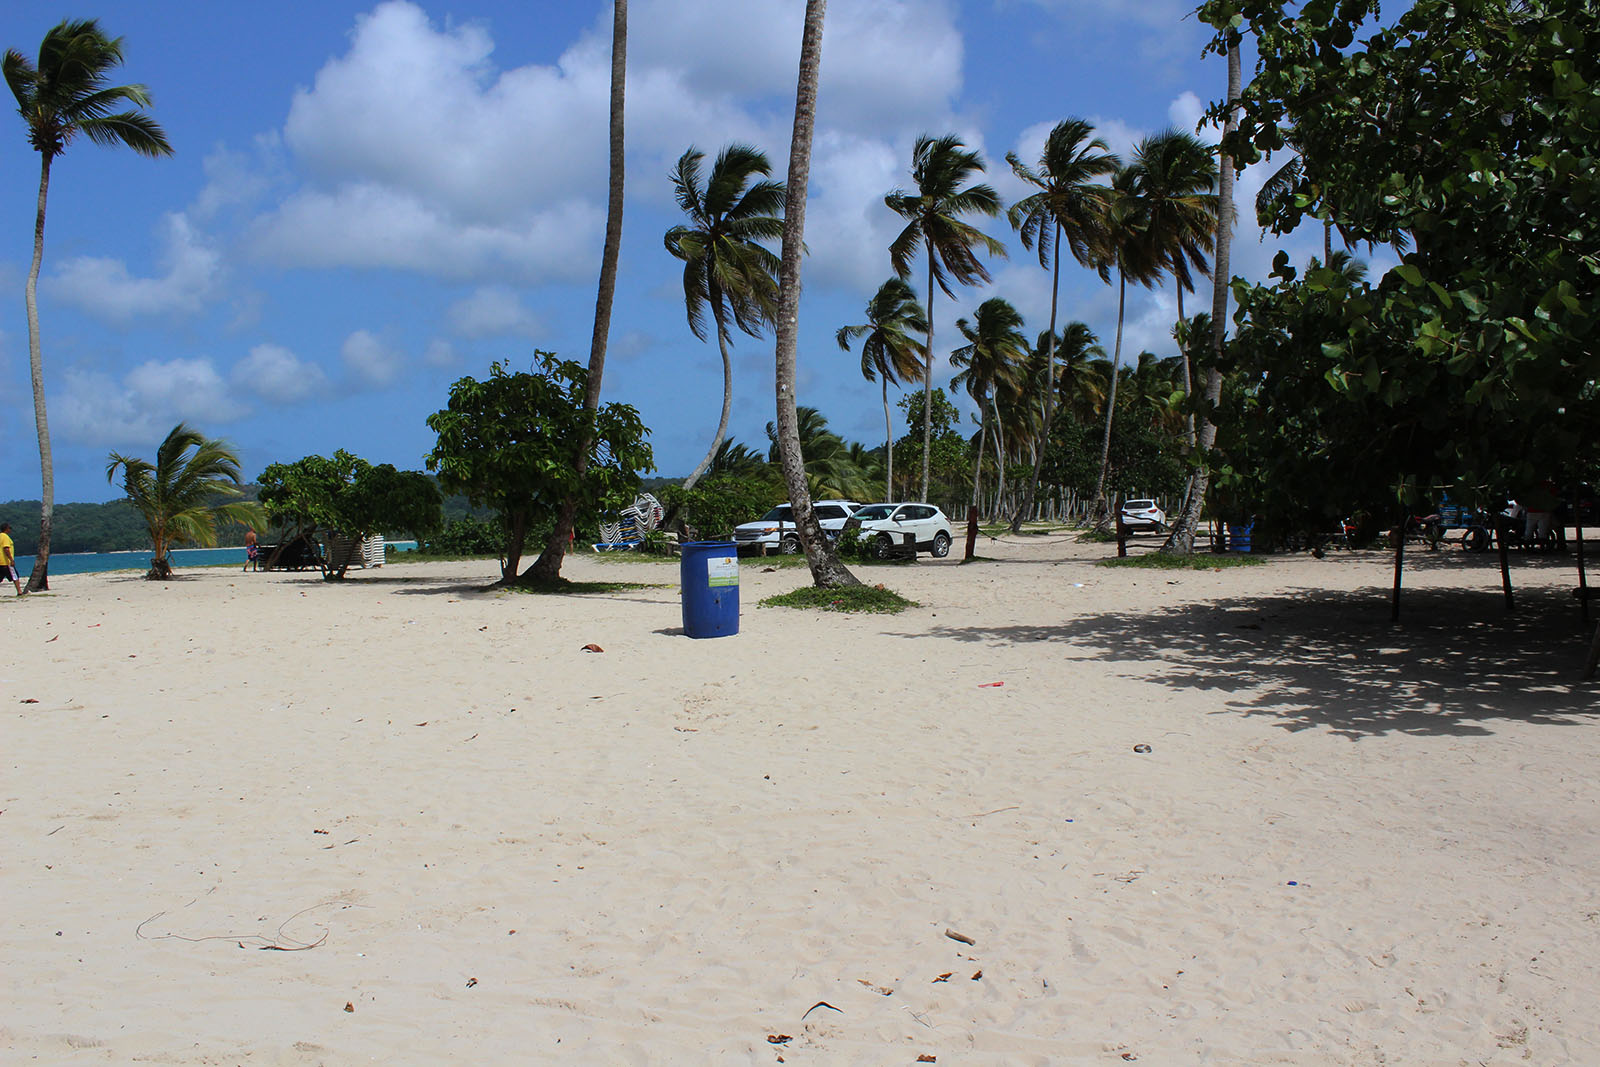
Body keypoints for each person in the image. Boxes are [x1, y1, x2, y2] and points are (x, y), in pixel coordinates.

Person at [0, 522, 22, 596]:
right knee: (15, 576)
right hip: (6, 561)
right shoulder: (5, 537)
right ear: (6, 529)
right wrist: (11, 560)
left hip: (1, 561)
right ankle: (19, 592)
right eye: (10, 528)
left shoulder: (0, 536)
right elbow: (6, 549)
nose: (10, 530)